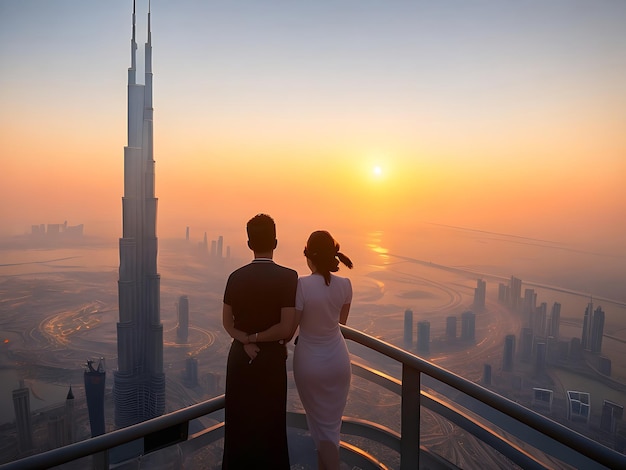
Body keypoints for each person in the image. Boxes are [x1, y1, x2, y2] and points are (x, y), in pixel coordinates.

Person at [221, 214, 298, 469]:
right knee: (271, 429)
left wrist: (245, 340)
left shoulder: (235, 277)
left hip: (240, 361)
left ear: (248, 243)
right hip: (270, 361)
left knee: (238, 428)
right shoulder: (289, 277)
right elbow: (286, 329)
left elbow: (227, 323)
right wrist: (256, 339)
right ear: (275, 242)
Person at [292, 230, 354, 470]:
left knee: (321, 430)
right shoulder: (346, 285)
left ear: (308, 255)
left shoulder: (302, 285)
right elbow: (341, 325)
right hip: (338, 362)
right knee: (329, 429)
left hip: (309, 363)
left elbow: (292, 327)